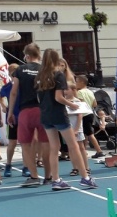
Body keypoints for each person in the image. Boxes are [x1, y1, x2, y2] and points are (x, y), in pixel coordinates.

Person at [36, 49, 96, 190]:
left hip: (45, 113)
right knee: (73, 145)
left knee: (54, 147)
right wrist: (72, 104)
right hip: (58, 113)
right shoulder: (58, 75)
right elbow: (58, 97)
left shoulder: (40, 76)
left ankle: (56, 178)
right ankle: (85, 177)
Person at [8, 43, 49, 186]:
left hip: (26, 110)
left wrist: (10, 111)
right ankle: (49, 176)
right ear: (39, 55)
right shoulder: (45, 69)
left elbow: (14, 92)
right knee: (46, 143)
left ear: (27, 56)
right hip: (43, 110)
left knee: (25, 144)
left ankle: (34, 176)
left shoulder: (20, 70)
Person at [74, 74, 104, 159]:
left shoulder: (79, 92)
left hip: (84, 114)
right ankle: (84, 150)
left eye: (76, 82)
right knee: (86, 134)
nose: (75, 83)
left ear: (82, 82)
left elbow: (79, 102)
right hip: (90, 113)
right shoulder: (90, 91)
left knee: (89, 133)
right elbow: (95, 104)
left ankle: (99, 150)